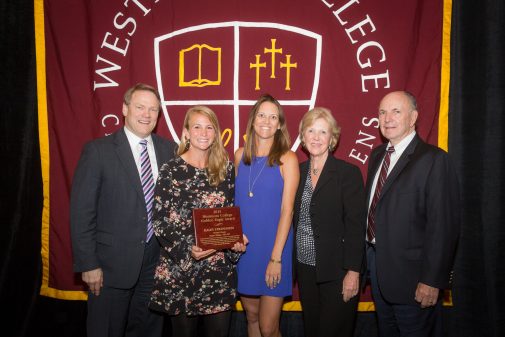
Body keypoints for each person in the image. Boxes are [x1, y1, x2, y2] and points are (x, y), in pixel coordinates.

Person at [70, 83, 177, 337]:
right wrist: (88, 263)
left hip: (155, 266)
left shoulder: (169, 150)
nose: (147, 114)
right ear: (124, 109)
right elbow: (81, 212)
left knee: (148, 331)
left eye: (153, 109)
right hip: (109, 268)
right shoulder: (98, 151)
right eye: (140, 107)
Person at [365, 91, 460, 337]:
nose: (387, 118)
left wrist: (432, 280)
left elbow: (443, 227)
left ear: (413, 117)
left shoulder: (434, 159)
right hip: (378, 272)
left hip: (414, 280)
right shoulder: (377, 156)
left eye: (396, 111)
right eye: (382, 112)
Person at [148, 105, 247, 337]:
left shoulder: (226, 171)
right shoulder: (170, 170)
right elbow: (160, 221)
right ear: (186, 132)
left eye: (209, 127)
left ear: (216, 133)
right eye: (197, 127)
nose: (203, 133)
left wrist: (236, 244)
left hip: (218, 273)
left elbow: (231, 217)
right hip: (181, 270)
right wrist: (187, 250)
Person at [293, 107, 366, 337]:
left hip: (338, 271)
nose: (316, 137)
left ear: (332, 138)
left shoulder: (348, 173)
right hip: (305, 269)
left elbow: (356, 227)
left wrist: (353, 272)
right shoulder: (297, 172)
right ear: (303, 136)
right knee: (312, 330)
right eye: (311, 131)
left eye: (322, 132)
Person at [234, 94, 300, 337]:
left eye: (273, 117)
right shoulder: (240, 156)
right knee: (251, 318)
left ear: (280, 124)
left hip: (274, 249)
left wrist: (276, 258)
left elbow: (287, 210)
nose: (267, 121)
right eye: (262, 115)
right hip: (244, 249)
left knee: (268, 327)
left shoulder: (287, 158)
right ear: (253, 120)